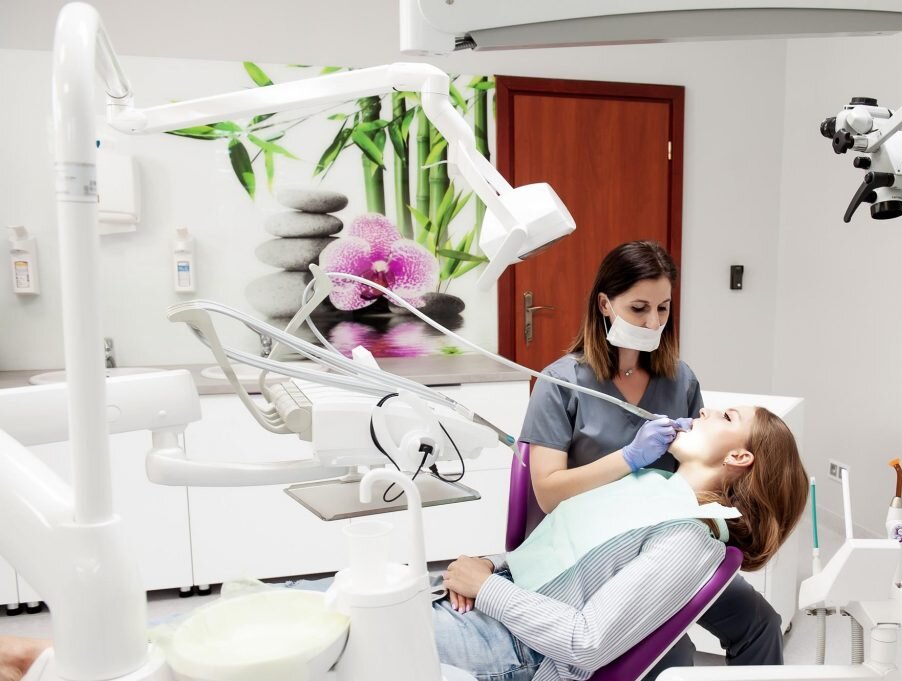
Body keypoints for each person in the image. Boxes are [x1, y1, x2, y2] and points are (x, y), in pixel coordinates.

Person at [1, 407, 807, 681]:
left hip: (508, 648)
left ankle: (81, 662)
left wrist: (482, 581)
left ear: (740, 458)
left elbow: (586, 643)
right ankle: (106, 653)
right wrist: (490, 566)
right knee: (297, 600)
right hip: (483, 604)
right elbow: (562, 553)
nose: (707, 410)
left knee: (311, 633)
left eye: (725, 417)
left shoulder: (690, 543)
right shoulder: (652, 488)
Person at [517, 240, 786, 670]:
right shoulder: (561, 383)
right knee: (671, 653)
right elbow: (548, 494)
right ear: (605, 305)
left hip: (662, 549)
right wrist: (629, 457)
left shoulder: (680, 380)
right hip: (597, 553)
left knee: (760, 621)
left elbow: (703, 470)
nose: (654, 321)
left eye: (663, 308)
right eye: (639, 308)